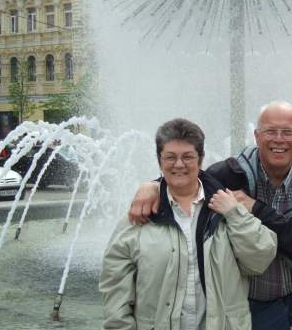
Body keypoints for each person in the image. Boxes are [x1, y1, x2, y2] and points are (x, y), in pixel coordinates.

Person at [129, 102, 292, 330]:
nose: (279, 139)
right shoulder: (229, 174)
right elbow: (187, 180)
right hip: (248, 296)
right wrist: (153, 185)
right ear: (257, 136)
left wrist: (257, 209)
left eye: (287, 132)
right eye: (270, 131)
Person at [100, 118, 277, 330]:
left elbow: (259, 259)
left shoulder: (225, 211)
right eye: (170, 157)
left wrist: (235, 214)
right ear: (159, 160)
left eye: (187, 157)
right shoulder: (140, 216)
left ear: (201, 159)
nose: (179, 164)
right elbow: (115, 287)